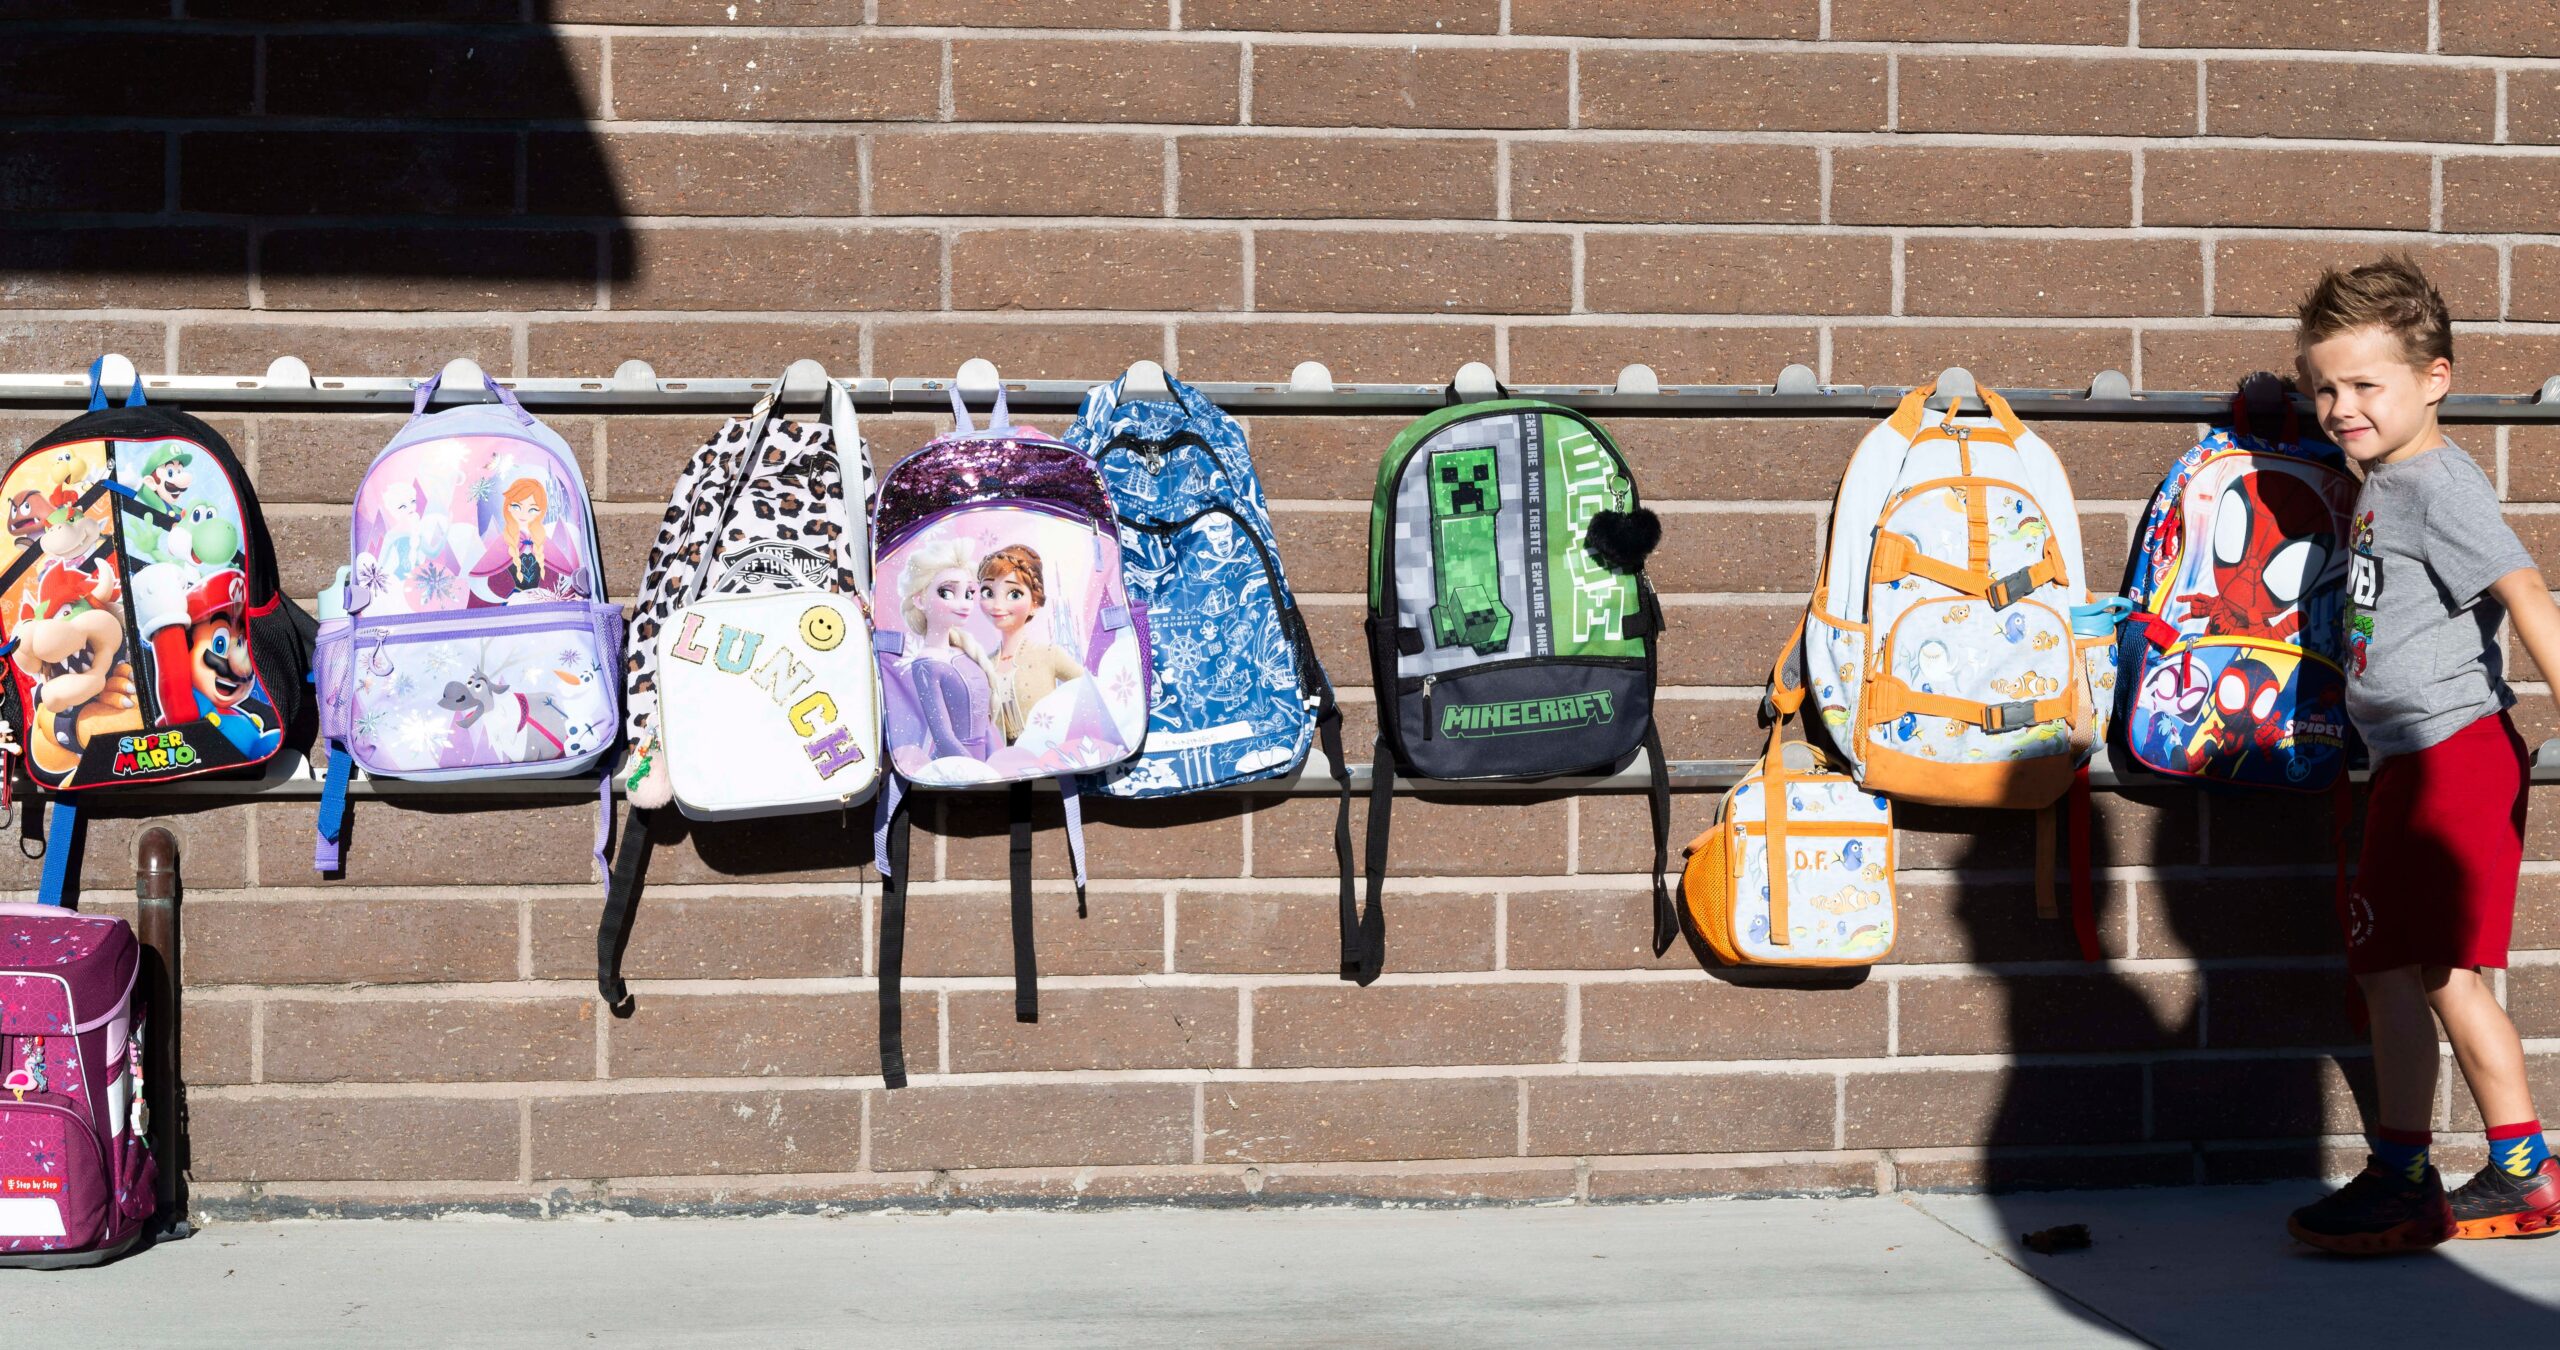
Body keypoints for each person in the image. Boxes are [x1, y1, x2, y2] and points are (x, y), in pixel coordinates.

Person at [2286, 256, 2560, 1253]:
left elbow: (2525, 592)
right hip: (2414, 758)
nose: (2338, 406)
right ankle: (2511, 1171)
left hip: (2451, 756)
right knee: (2424, 973)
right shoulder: (2386, 477)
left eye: (2365, 385)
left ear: (2434, 380)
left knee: (2411, 971)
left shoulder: (2434, 485)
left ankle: (2424, 1176)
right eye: (2323, 387)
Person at [976, 544, 1085, 746]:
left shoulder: (1048, 654)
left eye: (1014, 594)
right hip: (1003, 764)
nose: (998, 605)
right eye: (988, 592)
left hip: (1049, 757)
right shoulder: (984, 665)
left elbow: (1089, 691)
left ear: (1034, 603)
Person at [896, 540, 993, 761]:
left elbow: (986, 724)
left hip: (984, 767)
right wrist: (976, 770)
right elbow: (943, 737)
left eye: (969, 593)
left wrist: (997, 761)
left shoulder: (964, 652)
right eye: (947, 593)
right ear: (920, 600)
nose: (965, 603)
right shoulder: (926, 664)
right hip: (954, 767)